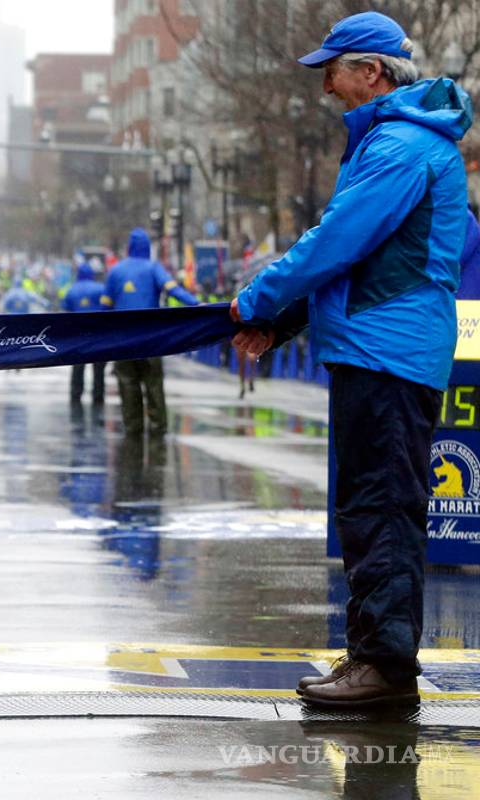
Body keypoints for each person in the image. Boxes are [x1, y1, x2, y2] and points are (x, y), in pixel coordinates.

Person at [231, 12, 471, 709]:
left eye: (332, 70)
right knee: (368, 511)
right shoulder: (397, 145)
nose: (326, 86)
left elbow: (338, 241)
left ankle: (387, 669)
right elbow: (363, 260)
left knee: (384, 511)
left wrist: (258, 299)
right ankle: (371, 654)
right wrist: (282, 324)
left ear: (371, 71)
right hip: (378, 349)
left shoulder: (400, 146)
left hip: (387, 356)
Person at [101, 228, 198, 435]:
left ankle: (132, 428)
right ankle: (157, 428)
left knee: (128, 385)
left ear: (129, 247)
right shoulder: (154, 268)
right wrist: (198, 305)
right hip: (150, 340)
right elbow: (173, 290)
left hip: (123, 341)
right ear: (147, 248)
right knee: (154, 384)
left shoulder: (116, 271)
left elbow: (104, 309)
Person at [61, 260, 107, 405]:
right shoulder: (100, 288)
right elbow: (108, 308)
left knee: (78, 367)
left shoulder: (71, 290)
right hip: (98, 335)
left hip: (78, 336)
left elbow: (66, 311)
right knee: (99, 368)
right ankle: (98, 396)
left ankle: (76, 395)